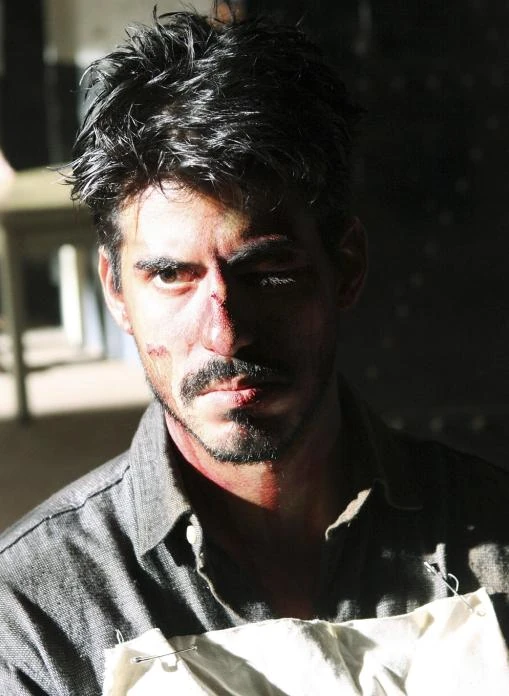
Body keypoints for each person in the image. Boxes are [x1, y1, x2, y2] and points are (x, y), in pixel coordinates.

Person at [1, 8, 508, 695]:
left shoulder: (493, 540)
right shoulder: (34, 612)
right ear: (116, 290)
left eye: (267, 271)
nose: (226, 332)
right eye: (171, 276)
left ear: (345, 266)